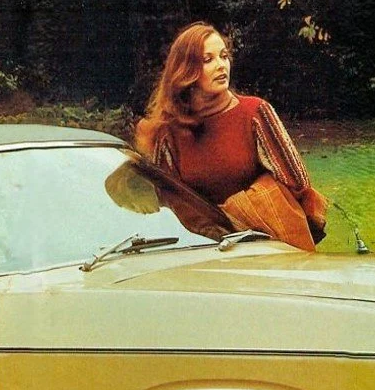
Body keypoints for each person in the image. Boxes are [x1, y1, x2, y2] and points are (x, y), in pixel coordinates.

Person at [134, 22, 328, 251]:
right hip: (205, 249)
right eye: (208, 60)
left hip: (270, 245)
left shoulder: (254, 112)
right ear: (185, 70)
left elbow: (297, 181)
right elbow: (169, 201)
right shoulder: (169, 132)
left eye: (224, 56)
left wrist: (246, 208)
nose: (221, 65)